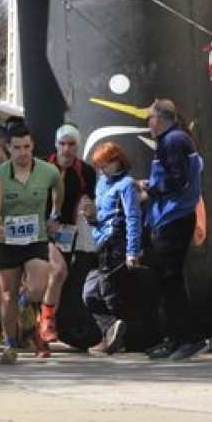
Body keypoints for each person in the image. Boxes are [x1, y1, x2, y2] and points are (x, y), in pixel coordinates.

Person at [0, 123, 63, 365]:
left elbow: (59, 189)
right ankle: (10, 344)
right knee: (7, 297)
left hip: (35, 239)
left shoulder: (48, 171)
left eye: (27, 147)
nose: (23, 153)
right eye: (17, 147)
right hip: (6, 240)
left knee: (39, 288)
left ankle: (26, 303)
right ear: (8, 148)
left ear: (33, 146)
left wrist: (55, 215)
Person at [139, 99, 205, 360]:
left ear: (159, 119)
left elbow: (177, 179)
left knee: (170, 280)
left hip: (174, 218)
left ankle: (186, 338)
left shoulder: (174, 140)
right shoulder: (174, 140)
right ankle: (175, 338)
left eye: (149, 119)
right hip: (168, 217)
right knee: (167, 281)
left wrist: (149, 191)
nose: (148, 124)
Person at [41, 124, 98, 347]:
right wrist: (46, 224)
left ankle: (38, 322)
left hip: (67, 233)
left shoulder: (86, 171)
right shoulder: (43, 166)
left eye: (71, 144)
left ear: (78, 146)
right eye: (62, 144)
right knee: (57, 271)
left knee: (56, 278)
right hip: (39, 230)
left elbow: (90, 204)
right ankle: (46, 321)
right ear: (56, 145)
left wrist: (90, 210)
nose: (66, 149)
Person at [84, 141, 142, 355]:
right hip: (99, 243)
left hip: (115, 242)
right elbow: (99, 217)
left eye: (105, 164)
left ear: (117, 161)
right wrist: (90, 216)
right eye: (99, 166)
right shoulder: (101, 183)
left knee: (109, 291)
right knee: (89, 292)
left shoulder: (126, 184)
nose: (102, 170)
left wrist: (132, 251)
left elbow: (133, 217)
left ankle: (120, 335)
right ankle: (111, 329)